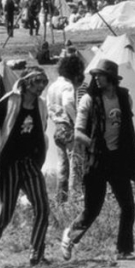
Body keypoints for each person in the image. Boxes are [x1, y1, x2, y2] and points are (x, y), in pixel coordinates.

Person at [61, 59, 135, 262]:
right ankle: (70, 236)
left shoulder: (124, 97)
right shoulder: (89, 100)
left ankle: (124, 250)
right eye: (94, 74)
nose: (96, 78)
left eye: (100, 74)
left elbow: (127, 126)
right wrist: (96, 148)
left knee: (128, 206)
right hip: (96, 160)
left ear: (111, 78)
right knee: (92, 209)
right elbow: (78, 133)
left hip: (118, 159)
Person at [0, 67, 50, 268]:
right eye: (37, 82)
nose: (41, 87)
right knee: (5, 215)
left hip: (29, 164)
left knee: (43, 207)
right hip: (8, 165)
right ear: (26, 83)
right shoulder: (8, 102)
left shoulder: (41, 106)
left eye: (44, 82)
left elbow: (41, 134)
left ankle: (37, 253)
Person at [48, 55, 85, 203]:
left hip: (57, 127)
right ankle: (75, 197)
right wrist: (77, 122)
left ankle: (61, 197)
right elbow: (68, 102)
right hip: (69, 127)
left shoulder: (52, 86)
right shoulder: (68, 86)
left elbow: (49, 107)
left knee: (62, 165)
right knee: (75, 163)